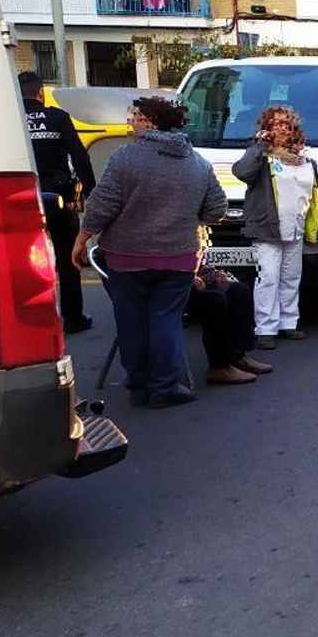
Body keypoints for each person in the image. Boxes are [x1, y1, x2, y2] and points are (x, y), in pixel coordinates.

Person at [72, 97, 226, 409]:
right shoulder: (197, 163)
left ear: (151, 121)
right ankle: (165, 387)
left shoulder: (125, 158)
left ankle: (139, 384)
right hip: (179, 257)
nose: (132, 122)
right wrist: (185, 219)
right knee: (165, 320)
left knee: (132, 320)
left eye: (137, 116)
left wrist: (82, 238)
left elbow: (103, 204)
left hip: (127, 256)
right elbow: (217, 209)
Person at [233, 105, 318, 350]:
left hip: (295, 229)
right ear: (266, 129)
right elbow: (241, 172)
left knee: (291, 277)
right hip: (268, 229)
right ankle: (265, 329)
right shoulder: (262, 158)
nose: (281, 129)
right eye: (274, 124)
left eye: (286, 124)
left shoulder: (306, 161)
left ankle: (289, 323)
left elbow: (312, 197)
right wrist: (257, 145)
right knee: (269, 277)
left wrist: (315, 228)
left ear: (295, 128)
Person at [19, 71, 96, 334]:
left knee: (23, 262)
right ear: (40, 92)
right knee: (67, 259)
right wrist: (90, 191)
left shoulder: (9, 120)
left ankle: (32, 321)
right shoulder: (57, 117)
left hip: (22, 199)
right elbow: (80, 157)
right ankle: (73, 319)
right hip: (59, 198)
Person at [189, 265, 274, 385]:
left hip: (187, 278)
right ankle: (219, 367)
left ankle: (238, 357)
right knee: (215, 300)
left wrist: (213, 275)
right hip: (172, 285)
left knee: (240, 290)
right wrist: (190, 279)